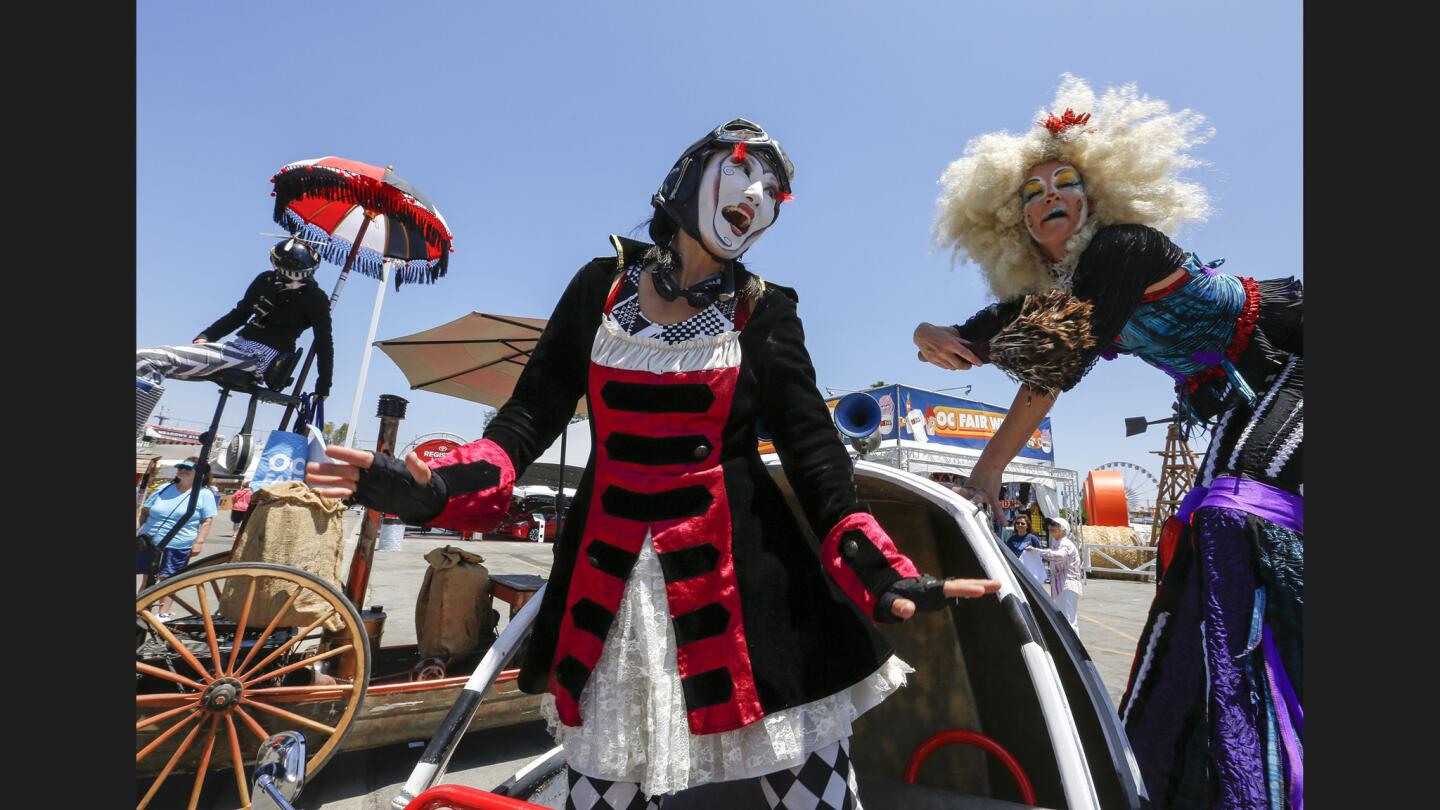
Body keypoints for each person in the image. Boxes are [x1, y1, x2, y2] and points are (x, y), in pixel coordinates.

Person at [310, 118, 1001, 810]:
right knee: (602, 785)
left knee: (807, 784)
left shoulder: (765, 311)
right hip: (607, 593)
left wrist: (878, 570)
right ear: (687, 175)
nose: (758, 194)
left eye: (775, 191)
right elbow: (526, 419)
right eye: (745, 170)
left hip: (747, 593)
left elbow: (814, 450)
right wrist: (433, 489)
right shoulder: (597, 288)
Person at [915, 75, 1303, 808]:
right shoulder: (1062, 290)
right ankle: (1167, 770)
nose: (1048, 196)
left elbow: (1055, 365)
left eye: (1065, 183)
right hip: (1238, 400)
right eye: (1031, 193)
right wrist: (931, 335)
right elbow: (988, 331)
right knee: (1199, 549)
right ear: (1018, 224)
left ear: (1093, 201)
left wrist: (989, 468)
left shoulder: (1122, 251)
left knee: (1234, 514)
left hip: (1297, 364)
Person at [135, 236, 333, 438]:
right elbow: (239, 314)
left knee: (148, 359)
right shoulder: (266, 281)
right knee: (150, 361)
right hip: (237, 348)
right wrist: (207, 335)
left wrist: (323, 386)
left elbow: (324, 341)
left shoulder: (315, 299)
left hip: (258, 358)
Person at [136, 458, 217, 618]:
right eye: (181, 467)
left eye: (188, 468)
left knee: (168, 581)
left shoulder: (204, 494)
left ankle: (162, 614)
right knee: (148, 579)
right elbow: (144, 511)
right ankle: (140, 610)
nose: (182, 470)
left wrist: (199, 542)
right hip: (150, 542)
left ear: (200, 474)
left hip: (178, 545)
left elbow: (207, 520)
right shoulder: (164, 488)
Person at [1035, 518, 1082, 630]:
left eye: (1054, 524)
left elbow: (1060, 556)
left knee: (1069, 621)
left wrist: (1039, 552)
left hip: (1067, 585)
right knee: (1064, 620)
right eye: (1050, 524)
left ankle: (1074, 646)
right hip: (1061, 585)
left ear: (1062, 529)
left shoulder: (1065, 543)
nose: (1051, 526)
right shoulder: (1057, 543)